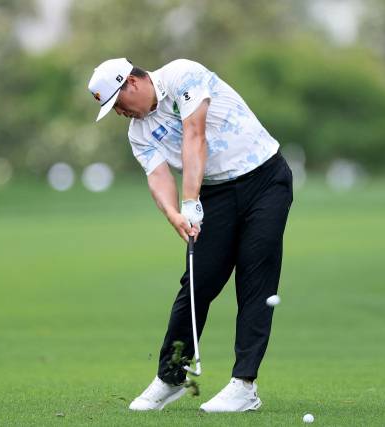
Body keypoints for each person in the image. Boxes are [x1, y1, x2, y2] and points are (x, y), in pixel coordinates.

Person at [88, 58, 293, 413]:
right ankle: (171, 377)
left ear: (131, 83)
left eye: (117, 103)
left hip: (264, 178)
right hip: (215, 192)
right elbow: (157, 176)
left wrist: (190, 200)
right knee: (198, 282)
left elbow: (194, 135)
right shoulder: (138, 132)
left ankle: (244, 385)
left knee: (254, 278)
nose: (119, 113)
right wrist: (174, 214)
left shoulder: (182, 74)